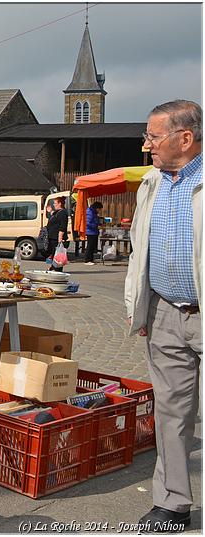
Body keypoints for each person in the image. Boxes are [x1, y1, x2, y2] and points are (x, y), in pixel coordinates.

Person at [125, 100, 201, 534]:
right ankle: (172, 505)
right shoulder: (152, 182)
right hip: (165, 313)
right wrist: (141, 307)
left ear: (185, 139)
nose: (146, 145)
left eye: (154, 137)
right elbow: (140, 251)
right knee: (171, 412)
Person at [44, 197, 68, 272]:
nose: (54, 205)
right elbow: (53, 218)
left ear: (60, 203)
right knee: (53, 252)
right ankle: (53, 267)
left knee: (57, 253)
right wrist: (50, 211)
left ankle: (57, 268)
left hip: (56, 236)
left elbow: (63, 226)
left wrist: (60, 237)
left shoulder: (63, 213)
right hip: (52, 236)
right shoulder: (57, 212)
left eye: (55, 203)